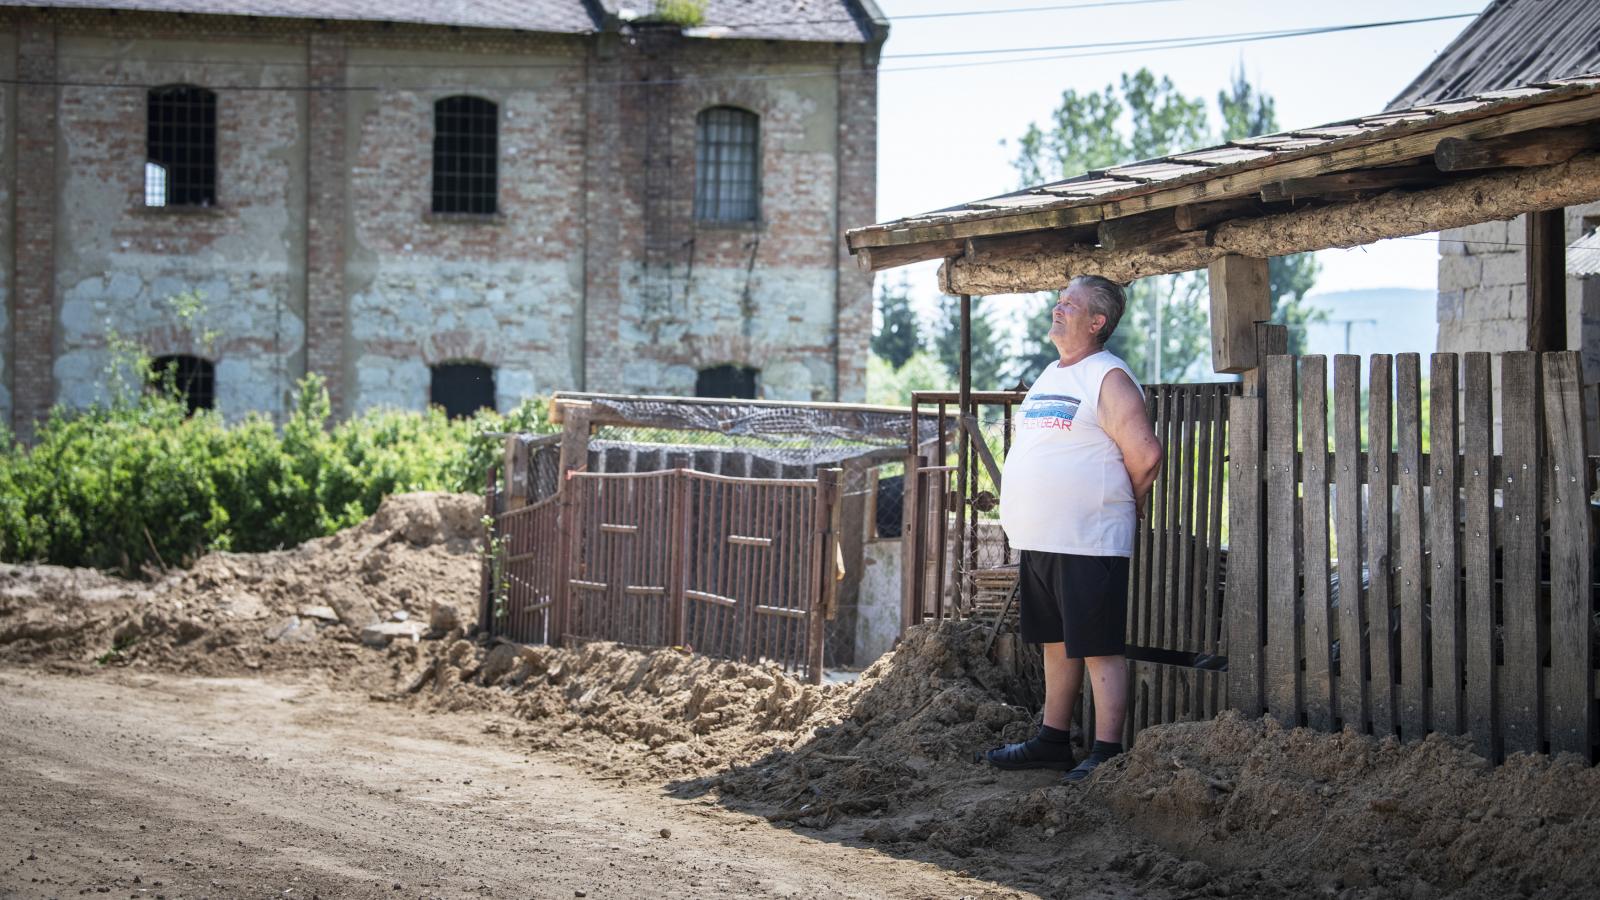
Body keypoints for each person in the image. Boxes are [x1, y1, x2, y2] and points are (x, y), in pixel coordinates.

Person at [984, 274, 1162, 783]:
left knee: (1098, 644)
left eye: (1069, 305)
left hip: (1090, 538)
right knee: (1057, 642)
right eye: (1058, 302)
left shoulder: (1107, 376)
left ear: (1097, 321)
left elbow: (1145, 456)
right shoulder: (1052, 373)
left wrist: (1120, 507)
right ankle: (1052, 739)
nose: (1057, 310)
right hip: (1043, 537)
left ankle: (1108, 753)